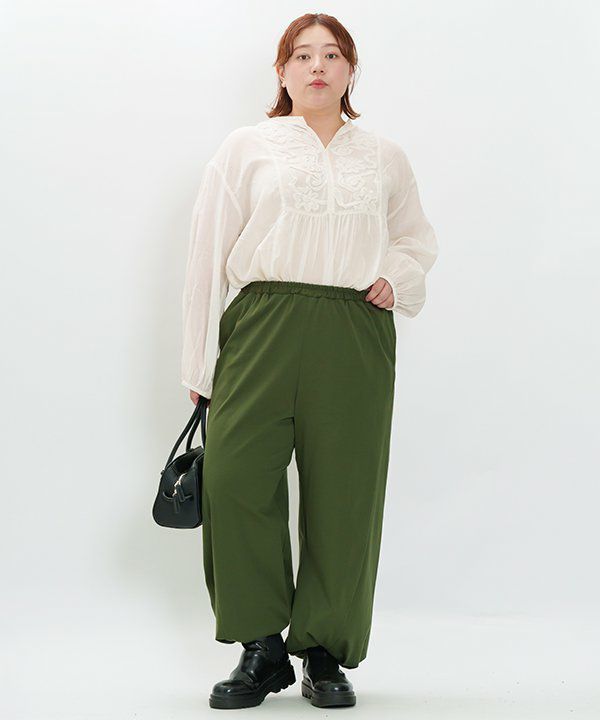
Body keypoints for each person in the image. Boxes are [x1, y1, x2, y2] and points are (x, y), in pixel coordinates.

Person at [180, 13, 438, 710]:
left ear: (351, 70)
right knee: (235, 481)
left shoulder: (384, 156)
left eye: (331, 55)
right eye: (301, 55)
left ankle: (324, 652)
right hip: (261, 323)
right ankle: (261, 648)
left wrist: (396, 278)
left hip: (353, 329)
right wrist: (199, 365)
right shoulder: (247, 147)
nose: (316, 66)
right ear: (282, 71)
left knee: (346, 493)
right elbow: (206, 253)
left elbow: (416, 239)